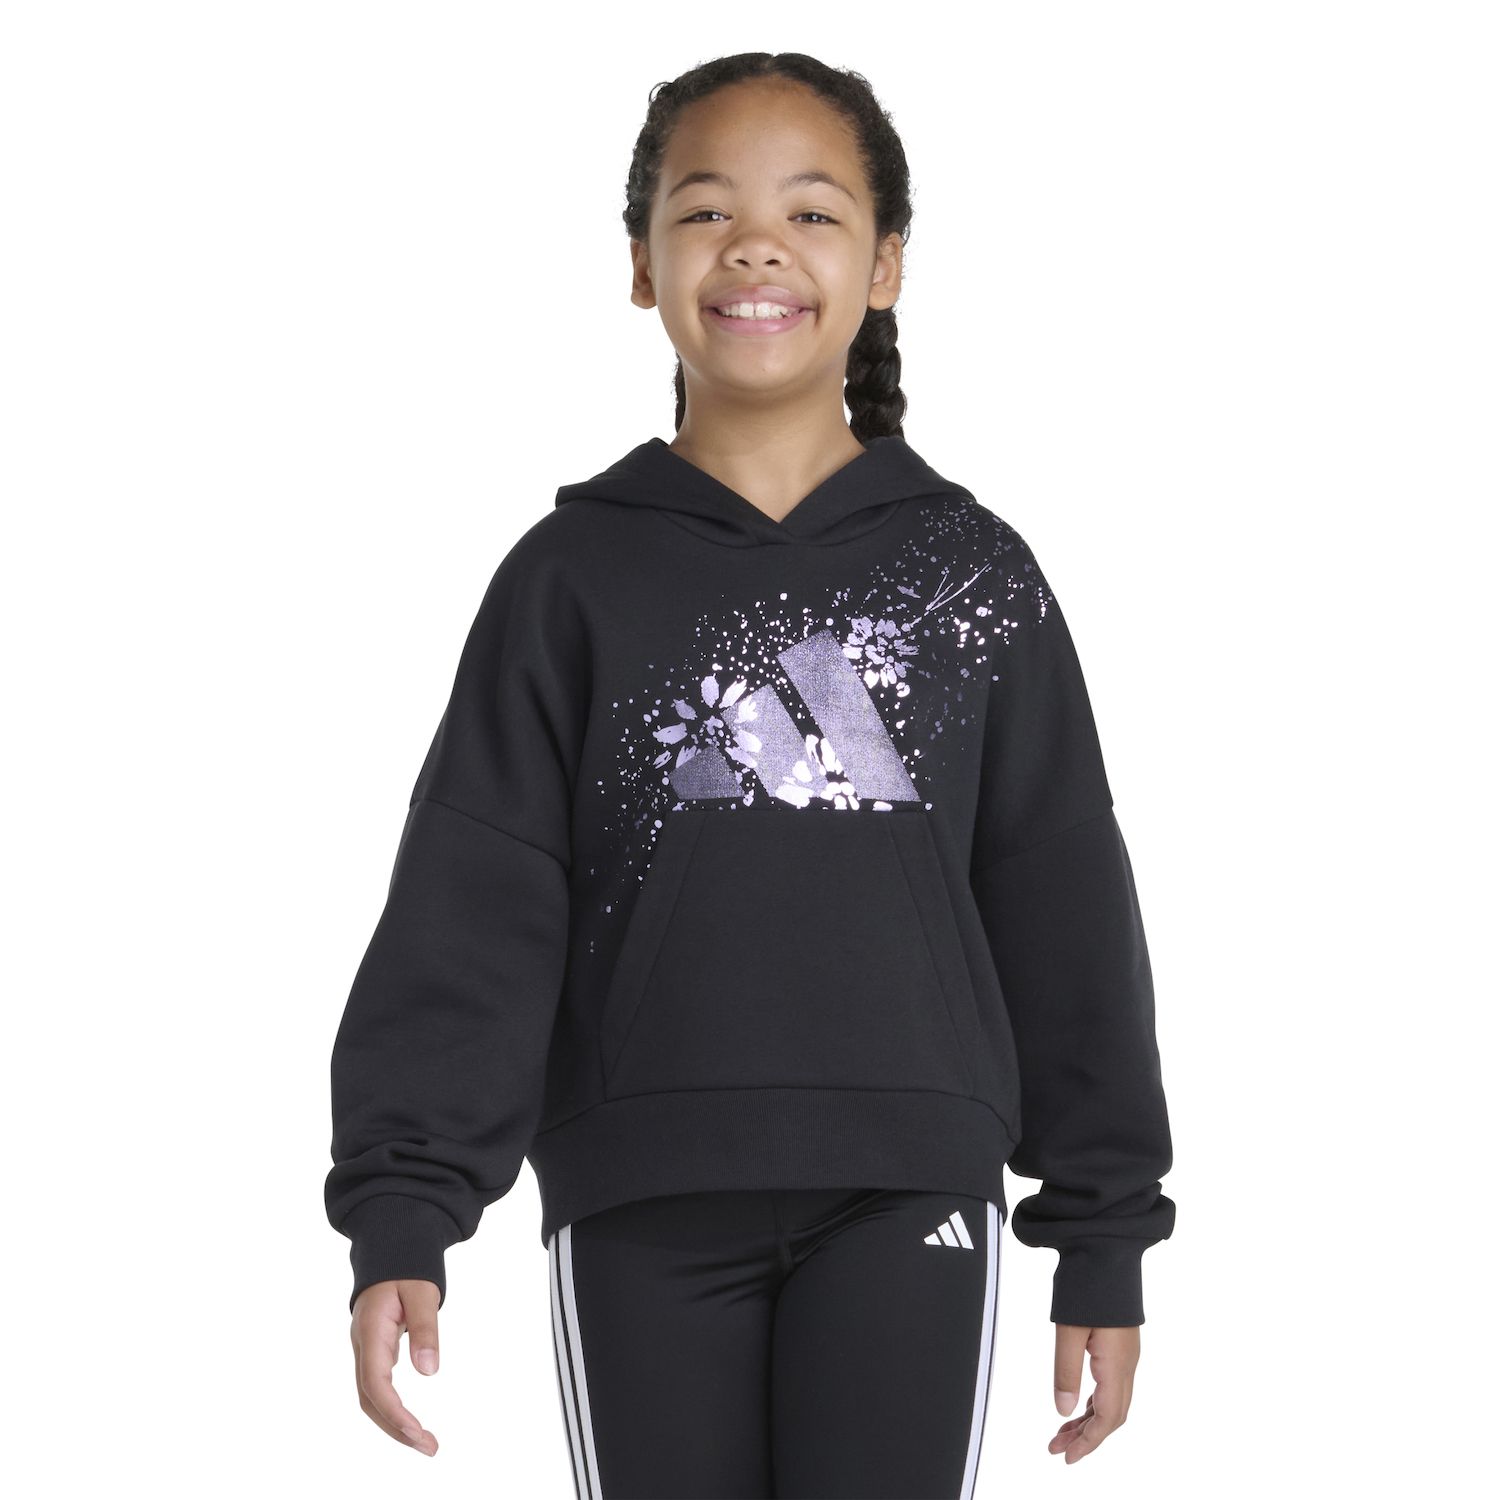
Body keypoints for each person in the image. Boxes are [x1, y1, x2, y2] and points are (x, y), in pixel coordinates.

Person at [324, 50, 1175, 1498]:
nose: (758, 247)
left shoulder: (972, 576)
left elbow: (1062, 899)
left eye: (813, 213)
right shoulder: (568, 578)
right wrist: (406, 1203)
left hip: (910, 1182)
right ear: (642, 265)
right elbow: (478, 897)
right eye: (707, 211)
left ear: (886, 264)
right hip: (644, 1191)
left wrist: (1102, 1225)